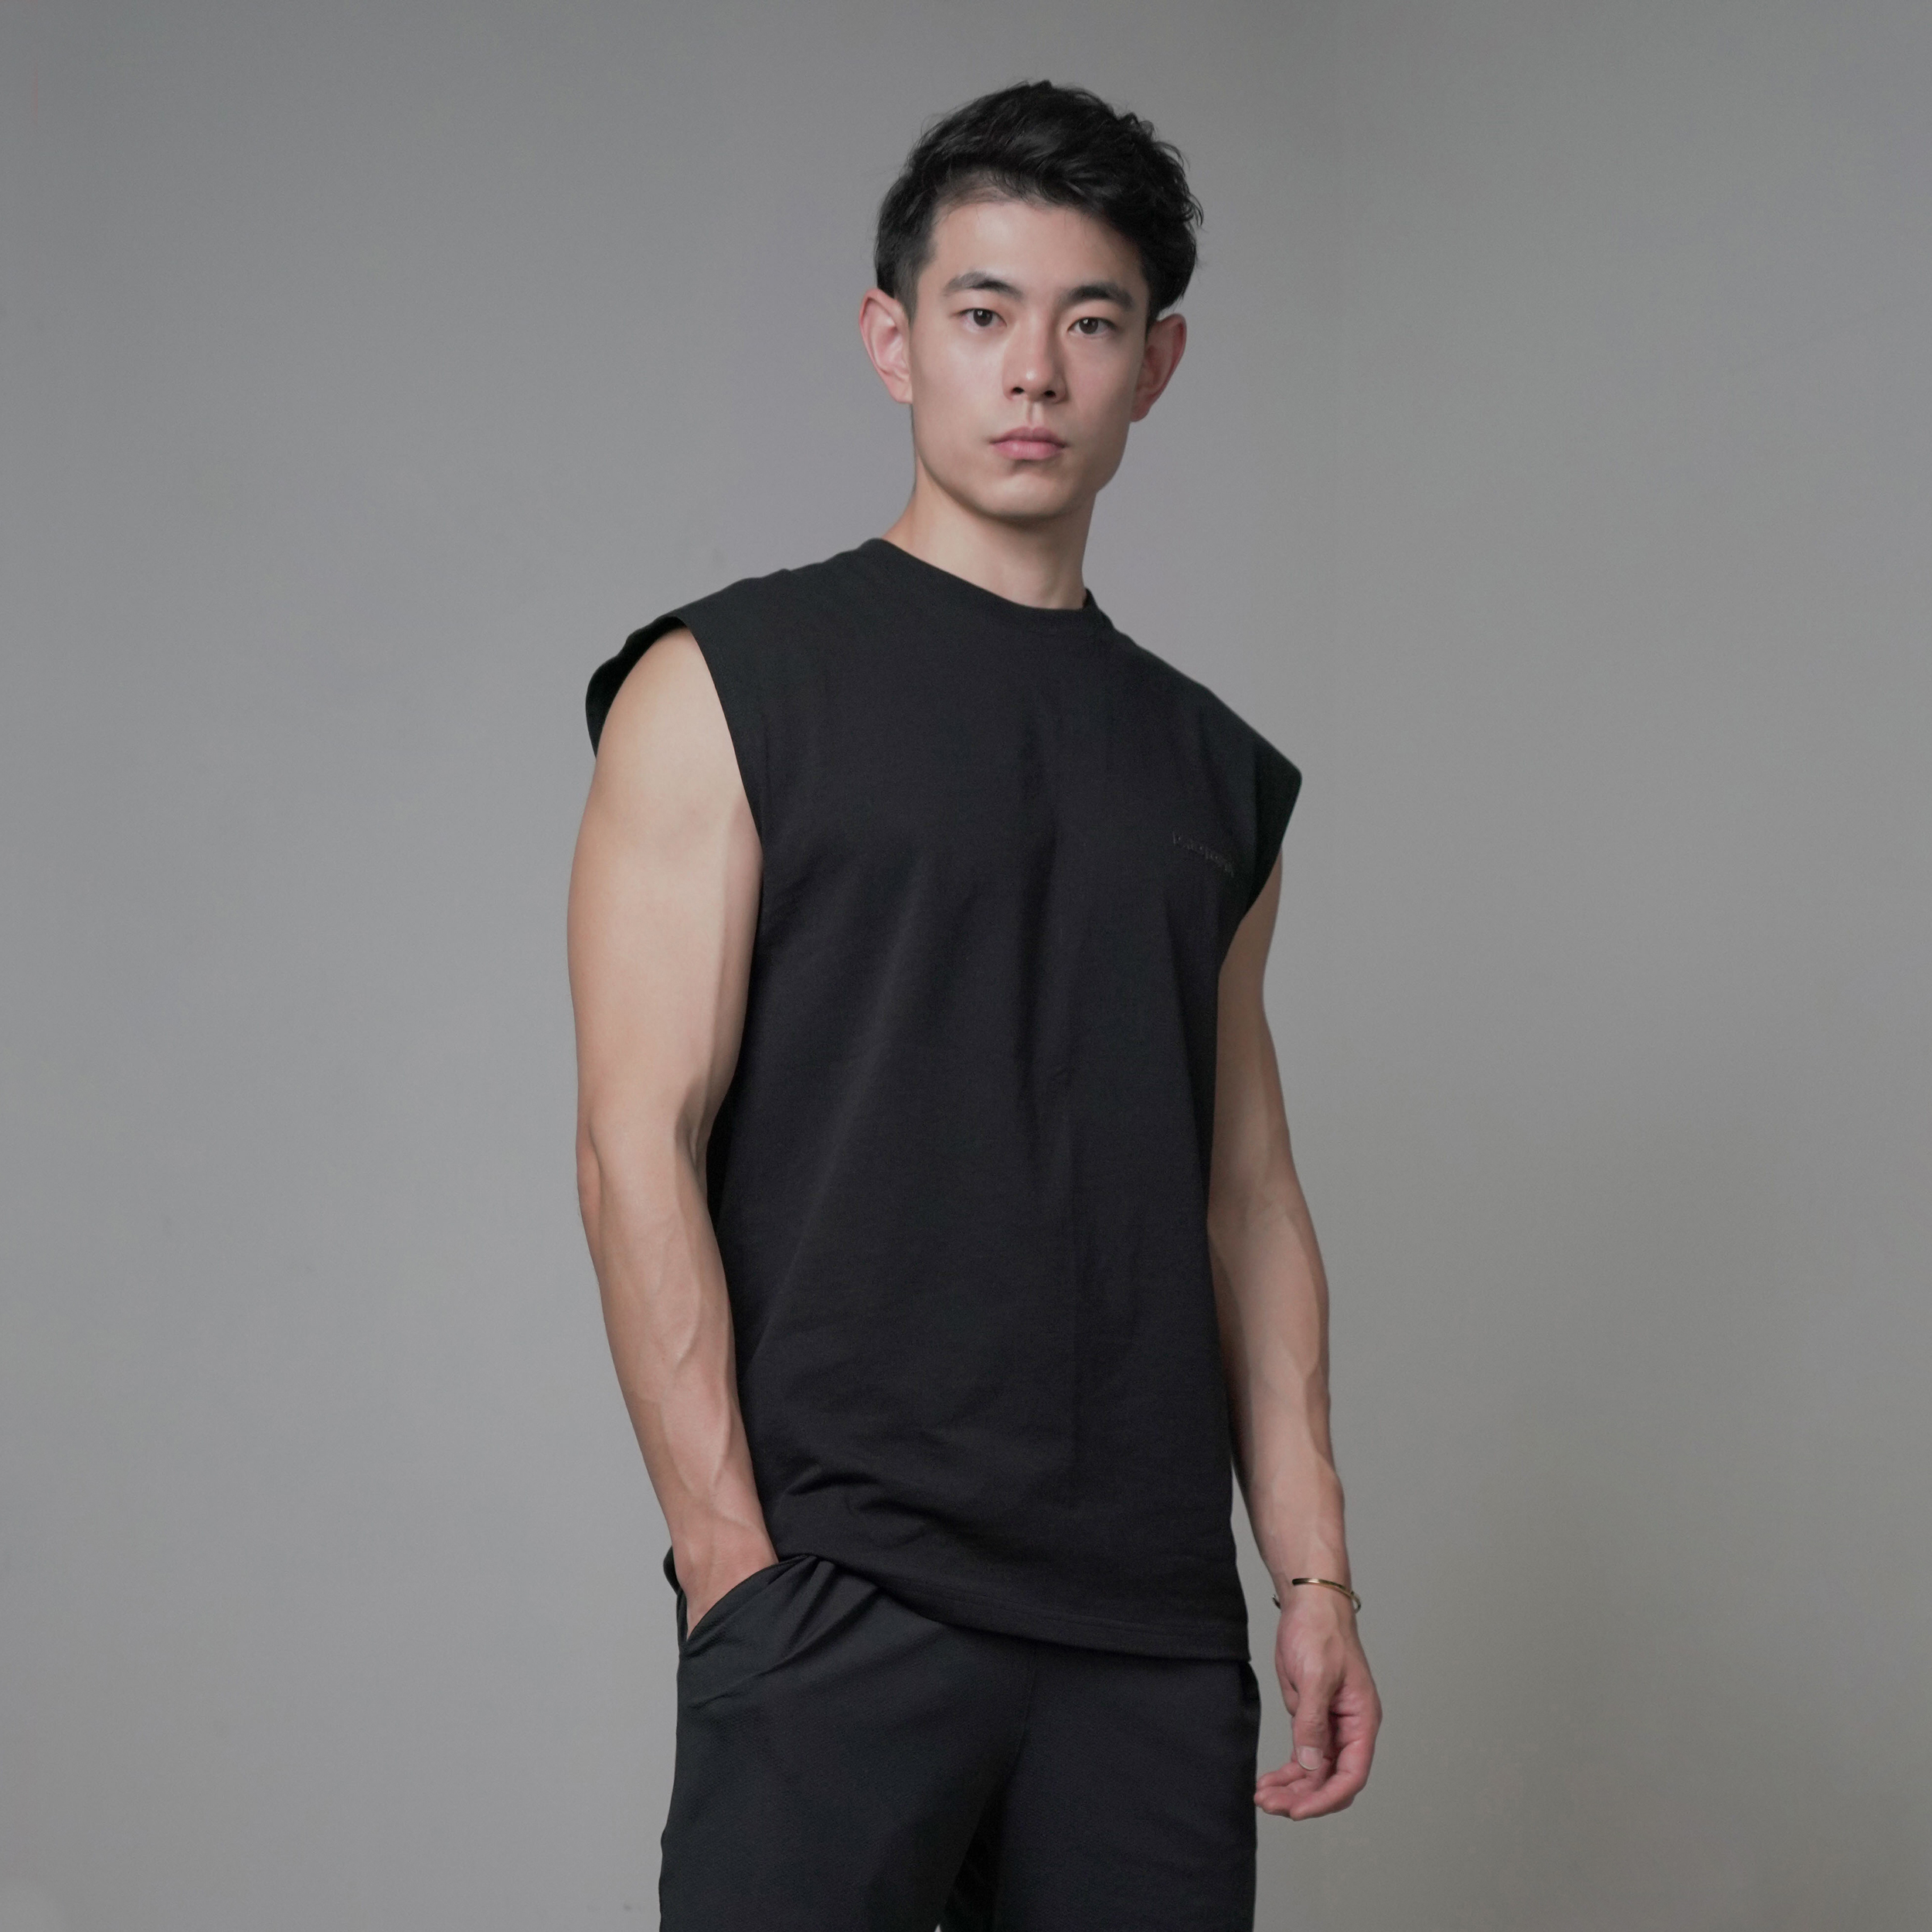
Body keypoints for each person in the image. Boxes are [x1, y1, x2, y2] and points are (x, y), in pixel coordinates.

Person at [567, 77, 1380, 1930]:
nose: (1032, 371)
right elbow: (632, 1140)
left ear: (1152, 366)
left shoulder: (1213, 774)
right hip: (839, 1591)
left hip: (1145, 1633)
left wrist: (1311, 1571)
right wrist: (729, 1565)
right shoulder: (724, 685)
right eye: (982, 311)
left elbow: (1245, 1193)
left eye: (1088, 323)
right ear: (892, 339)